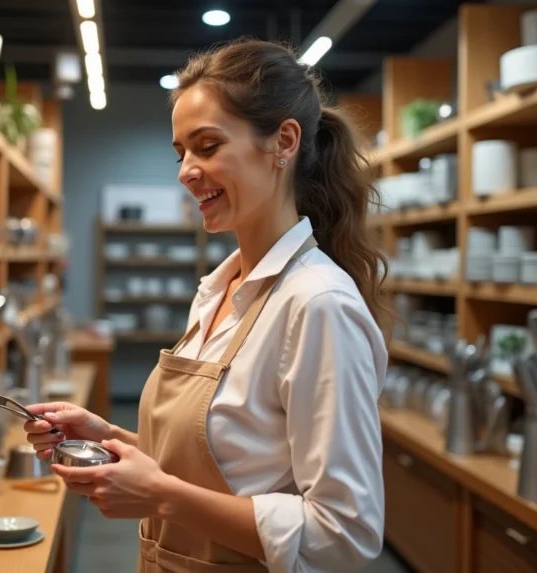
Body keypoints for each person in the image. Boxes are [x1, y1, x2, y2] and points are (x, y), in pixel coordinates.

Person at [25, 37, 391, 573]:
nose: (185, 170)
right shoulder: (220, 291)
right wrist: (110, 439)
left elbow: (346, 533)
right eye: (181, 152)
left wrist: (161, 498)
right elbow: (233, 463)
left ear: (283, 142)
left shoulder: (317, 305)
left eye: (208, 145)